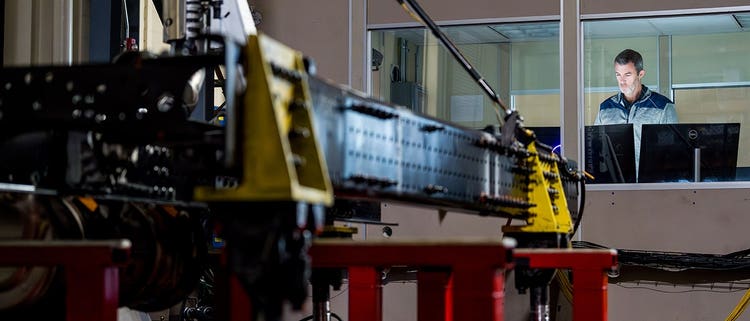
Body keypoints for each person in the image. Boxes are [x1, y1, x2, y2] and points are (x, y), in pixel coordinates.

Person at [594, 48, 678, 179]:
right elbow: (596, 149)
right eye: (618, 75)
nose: (622, 81)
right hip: (613, 184)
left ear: (641, 74)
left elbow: (673, 154)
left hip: (650, 184)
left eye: (627, 75)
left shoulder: (663, 107)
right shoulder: (605, 108)